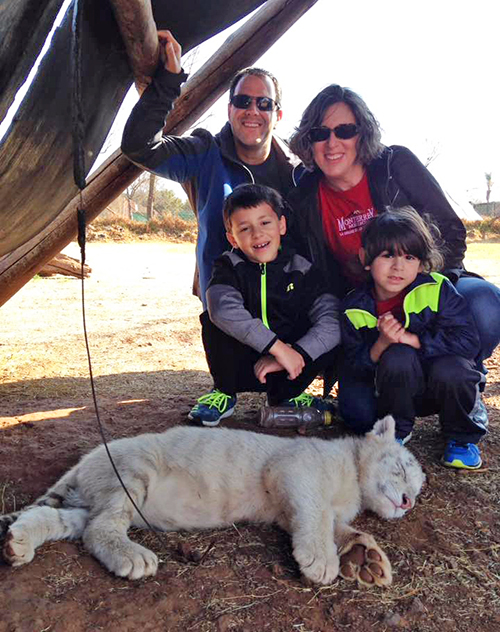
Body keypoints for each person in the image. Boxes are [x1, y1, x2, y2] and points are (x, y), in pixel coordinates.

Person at [287, 84, 500, 380]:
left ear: (362, 134)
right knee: (359, 412)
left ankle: (462, 374)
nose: (332, 143)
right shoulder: (304, 197)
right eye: (320, 134)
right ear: (308, 142)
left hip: (425, 289)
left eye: (344, 130)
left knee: (485, 305)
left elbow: (450, 231)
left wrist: (416, 286)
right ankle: (380, 383)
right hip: (363, 305)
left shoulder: (394, 164)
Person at [121, 30, 297, 308]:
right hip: (225, 314)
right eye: (243, 101)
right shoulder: (204, 155)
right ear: (229, 109)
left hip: (290, 311)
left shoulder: (296, 171)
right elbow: (139, 147)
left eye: (264, 103)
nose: (253, 110)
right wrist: (168, 82)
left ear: (278, 115)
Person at [339, 208, 487, 469]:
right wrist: (381, 344)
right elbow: (353, 367)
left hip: (443, 382)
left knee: (453, 368)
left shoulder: (437, 289)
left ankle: (461, 437)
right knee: (395, 357)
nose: (399, 267)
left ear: (421, 262)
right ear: (366, 258)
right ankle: (398, 429)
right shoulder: (354, 307)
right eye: (387, 256)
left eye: (409, 256)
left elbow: (469, 341)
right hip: (395, 386)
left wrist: (416, 340)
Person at [188, 184, 340, 427]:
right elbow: (221, 308)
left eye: (265, 223)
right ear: (232, 239)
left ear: (281, 225)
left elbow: (331, 321)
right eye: (245, 228)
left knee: (328, 328)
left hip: (290, 363)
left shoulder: (302, 269)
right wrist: (278, 348)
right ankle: (224, 393)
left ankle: (287, 396)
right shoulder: (228, 266)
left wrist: (295, 353)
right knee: (213, 318)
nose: (257, 234)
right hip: (244, 360)